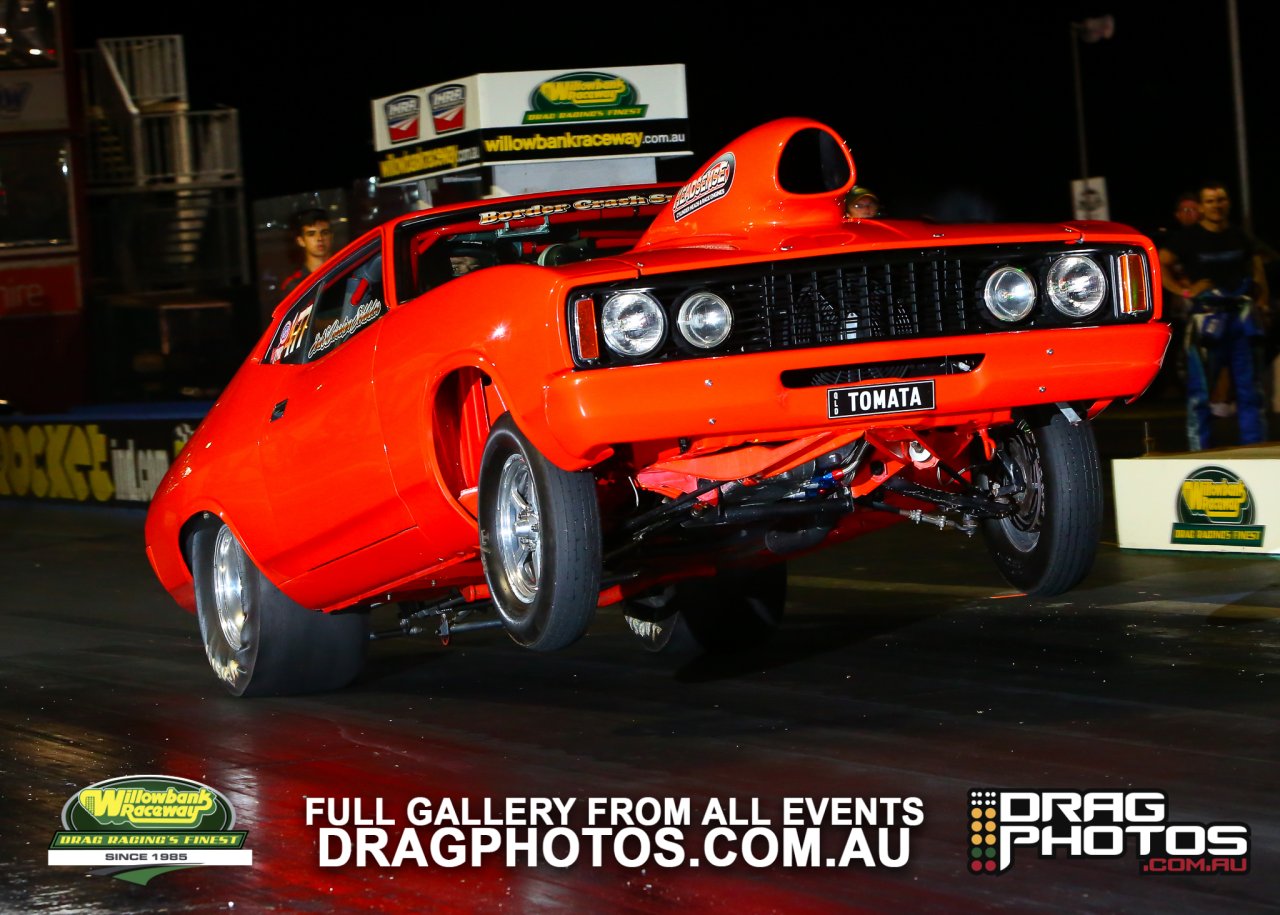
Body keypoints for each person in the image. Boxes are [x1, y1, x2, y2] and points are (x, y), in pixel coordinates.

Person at [1158, 181, 1270, 450]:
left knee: (1250, 392)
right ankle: (1201, 452)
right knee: (1200, 395)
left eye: (1221, 199)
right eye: (1210, 201)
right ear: (1201, 206)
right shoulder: (1188, 238)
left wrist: (1262, 301)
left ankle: (1255, 450)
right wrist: (1185, 292)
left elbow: (1257, 268)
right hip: (1206, 321)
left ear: (1228, 203)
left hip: (1241, 321)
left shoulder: (1239, 235)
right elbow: (1160, 263)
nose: (1217, 205)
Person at [280, 208, 334, 296]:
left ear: (331, 237)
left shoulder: (346, 271)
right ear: (301, 241)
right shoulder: (293, 285)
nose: (319, 238)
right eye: (311, 234)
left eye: (324, 232)